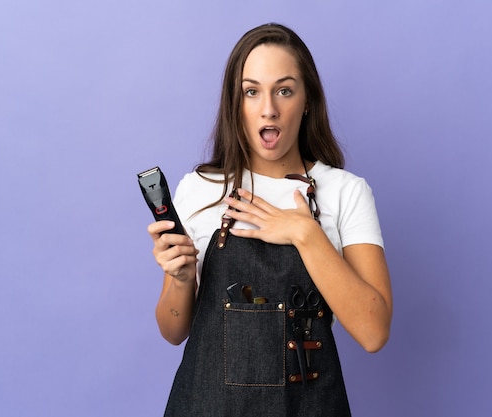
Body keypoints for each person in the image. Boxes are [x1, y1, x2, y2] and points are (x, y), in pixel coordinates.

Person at [147, 23, 392, 417]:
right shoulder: (198, 189)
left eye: (284, 90)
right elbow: (173, 331)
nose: (268, 108)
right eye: (251, 91)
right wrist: (179, 279)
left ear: (307, 99)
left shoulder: (346, 192)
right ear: (236, 103)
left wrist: (305, 234)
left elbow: (374, 331)